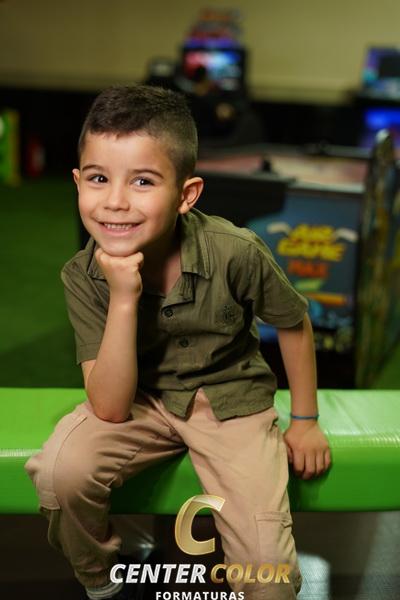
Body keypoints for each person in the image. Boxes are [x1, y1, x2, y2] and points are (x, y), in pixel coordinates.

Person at [25, 85, 331, 600]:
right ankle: (104, 582)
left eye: (143, 181)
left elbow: (294, 322)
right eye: (98, 178)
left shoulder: (235, 251)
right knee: (60, 474)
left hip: (232, 404)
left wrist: (304, 421)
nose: (115, 201)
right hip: (140, 401)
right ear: (77, 182)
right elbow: (110, 407)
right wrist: (124, 298)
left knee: (268, 569)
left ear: (187, 195)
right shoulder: (82, 275)